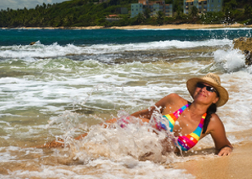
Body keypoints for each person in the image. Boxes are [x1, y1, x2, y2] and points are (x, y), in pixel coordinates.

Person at [40, 73, 233, 156]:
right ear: (194, 90)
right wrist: (121, 121)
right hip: (132, 137)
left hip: (155, 160)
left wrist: (227, 149)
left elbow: (223, 144)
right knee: (82, 149)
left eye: (210, 88)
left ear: (215, 99)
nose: (203, 89)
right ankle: (57, 145)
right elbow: (145, 114)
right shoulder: (174, 100)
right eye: (201, 85)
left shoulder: (212, 122)